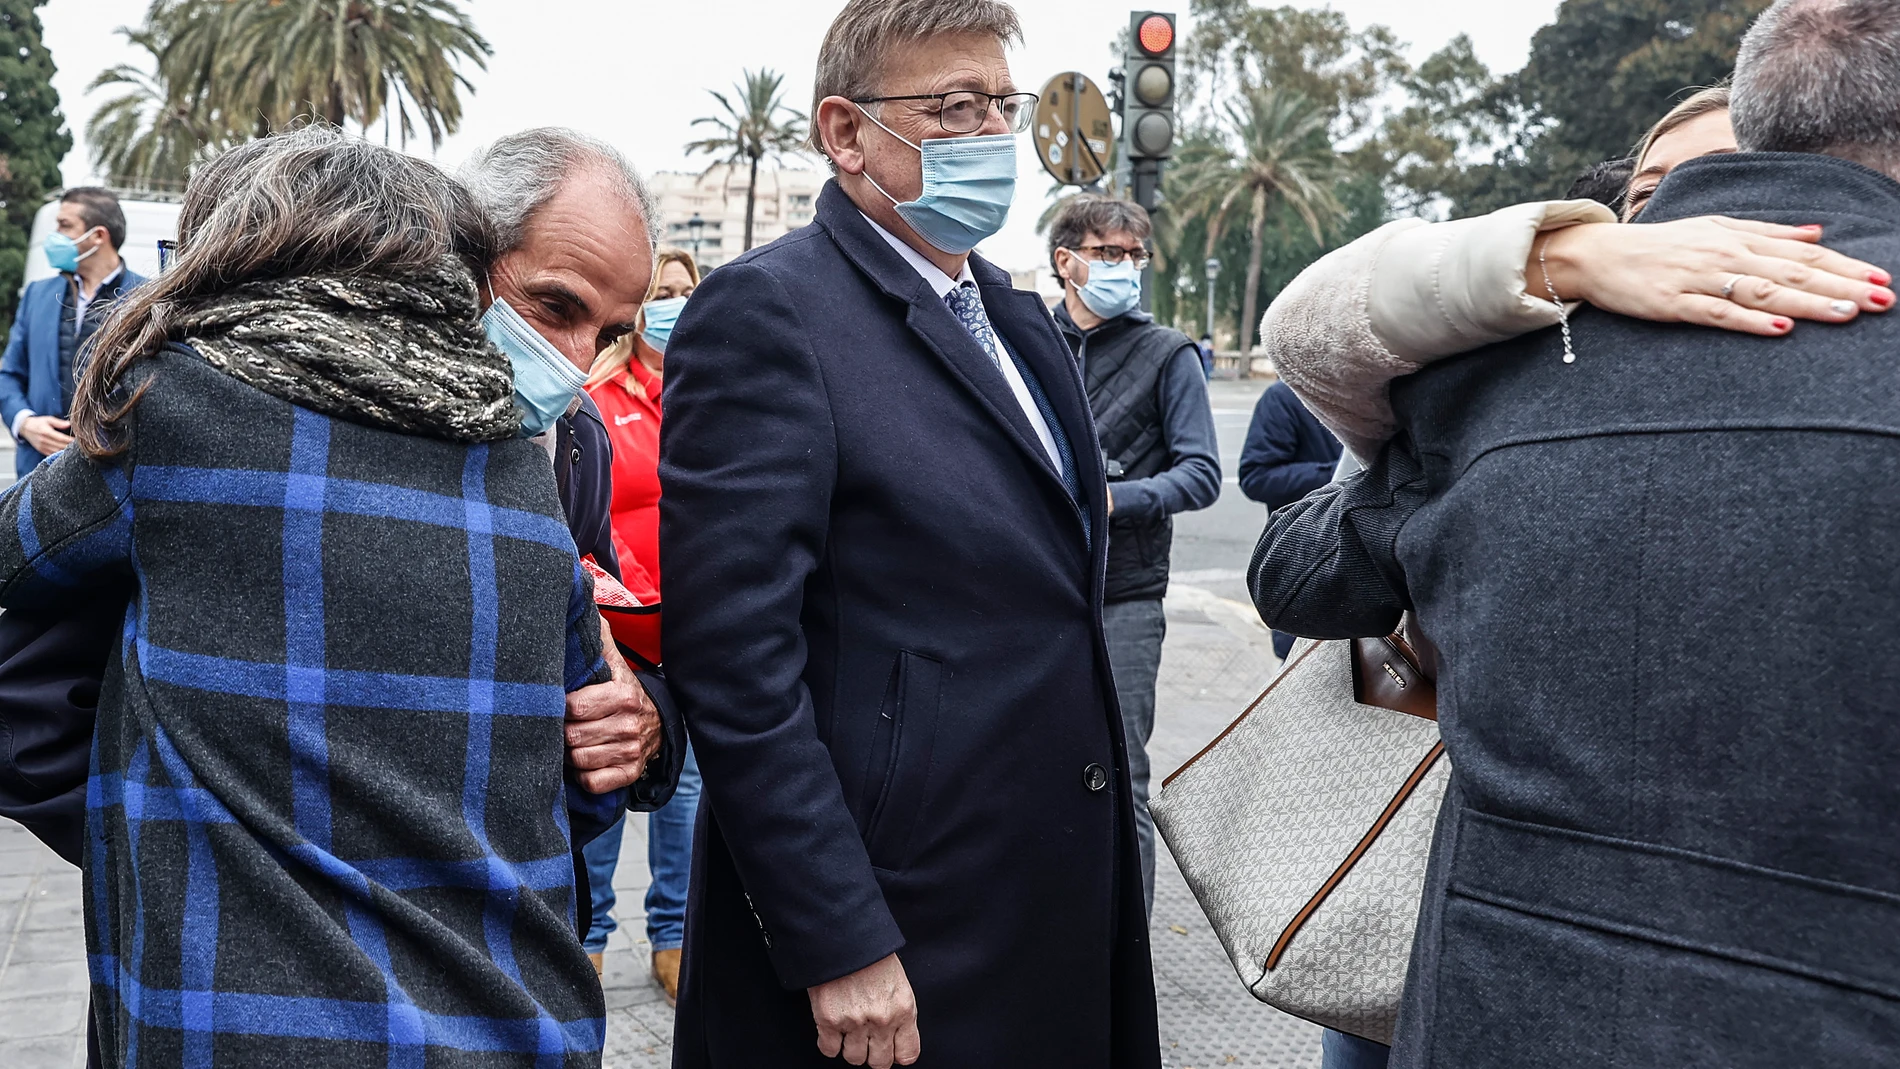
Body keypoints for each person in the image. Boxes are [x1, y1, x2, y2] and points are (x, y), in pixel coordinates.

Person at [1251, 2, 1900, 1063]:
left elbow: (1307, 571)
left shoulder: (1491, 382)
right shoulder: (1515, 338)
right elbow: (1304, 412)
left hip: (1495, 1004)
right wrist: (1563, 265)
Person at [1, 126, 620, 1066]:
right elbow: (588, 767)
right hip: (513, 1020)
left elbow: (18, 557)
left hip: (240, 1023)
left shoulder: (173, 406)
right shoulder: (517, 462)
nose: (581, 358)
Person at [659, 1, 1159, 1066]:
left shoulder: (1017, 320)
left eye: (1001, 106)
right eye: (952, 106)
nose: (991, 135)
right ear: (845, 133)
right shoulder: (771, 314)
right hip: (895, 934)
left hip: (1043, 899)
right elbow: (737, 662)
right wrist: (836, 934)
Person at [1266, 85, 1889, 462]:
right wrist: (1566, 257)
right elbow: (1301, 330)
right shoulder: (1528, 342)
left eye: (1724, 176)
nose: (1685, 215)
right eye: (1649, 194)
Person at [1046, 194, 1219, 917]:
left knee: (1122, 773)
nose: (1124, 267)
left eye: (1133, 255)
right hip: (1036, 593)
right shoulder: (1026, 341)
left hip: (1125, 594)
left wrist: (1119, 499)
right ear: (1067, 261)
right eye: (1108, 252)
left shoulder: (1168, 354)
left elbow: (1203, 473)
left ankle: (1128, 954)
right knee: (1035, 771)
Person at [581, 246, 704, 997]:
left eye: (688, 290)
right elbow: (591, 509)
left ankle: (673, 936)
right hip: (614, 628)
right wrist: (630, 587)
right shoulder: (596, 393)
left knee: (685, 796)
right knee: (606, 780)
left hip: (690, 629)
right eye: (663, 291)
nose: (676, 302)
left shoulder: (712, 389)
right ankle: (588, 938)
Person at [0, 187, 147, 477]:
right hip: (36, 473)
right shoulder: (37, 295)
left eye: (64, 225)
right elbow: (9, 374)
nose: (54, 236)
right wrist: (25, 423)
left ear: (98, 236)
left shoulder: (146, 299)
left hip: (113, 477)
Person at [1235, 379, 1341, 659]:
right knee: (1299, 682)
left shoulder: (1387, 388)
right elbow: (1256, 476)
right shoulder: (1284, 397)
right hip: (1304, 563)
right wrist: (1341, 474)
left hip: (1374, 576)